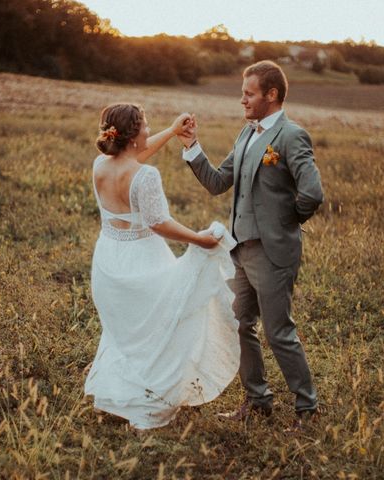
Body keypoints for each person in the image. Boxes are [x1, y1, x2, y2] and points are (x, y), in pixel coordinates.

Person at [177, 60, 324, 430]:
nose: (242, 100)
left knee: (279, 332)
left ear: (271, 95)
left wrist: (284, 224)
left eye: (249, 93)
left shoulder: (292, 136)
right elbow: (217, 182)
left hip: (273, 252)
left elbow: (312, 193)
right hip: (240, 250)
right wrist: (192, 146)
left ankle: (307, 409)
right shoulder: (246, 134)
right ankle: (258, 401)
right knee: (240, 324)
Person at [84, 103, 240, 430]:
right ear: (133, 135)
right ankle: (150, 399)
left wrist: (171, 131)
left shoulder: (101, 165)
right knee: (158, 328)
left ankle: (120, 395)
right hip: (143, 261)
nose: (148, 130)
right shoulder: (146, 175)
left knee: (125, 334)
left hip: (109, 261)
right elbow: (159, 223)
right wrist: (200, 240)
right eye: (146, 125)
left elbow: (133, 159)